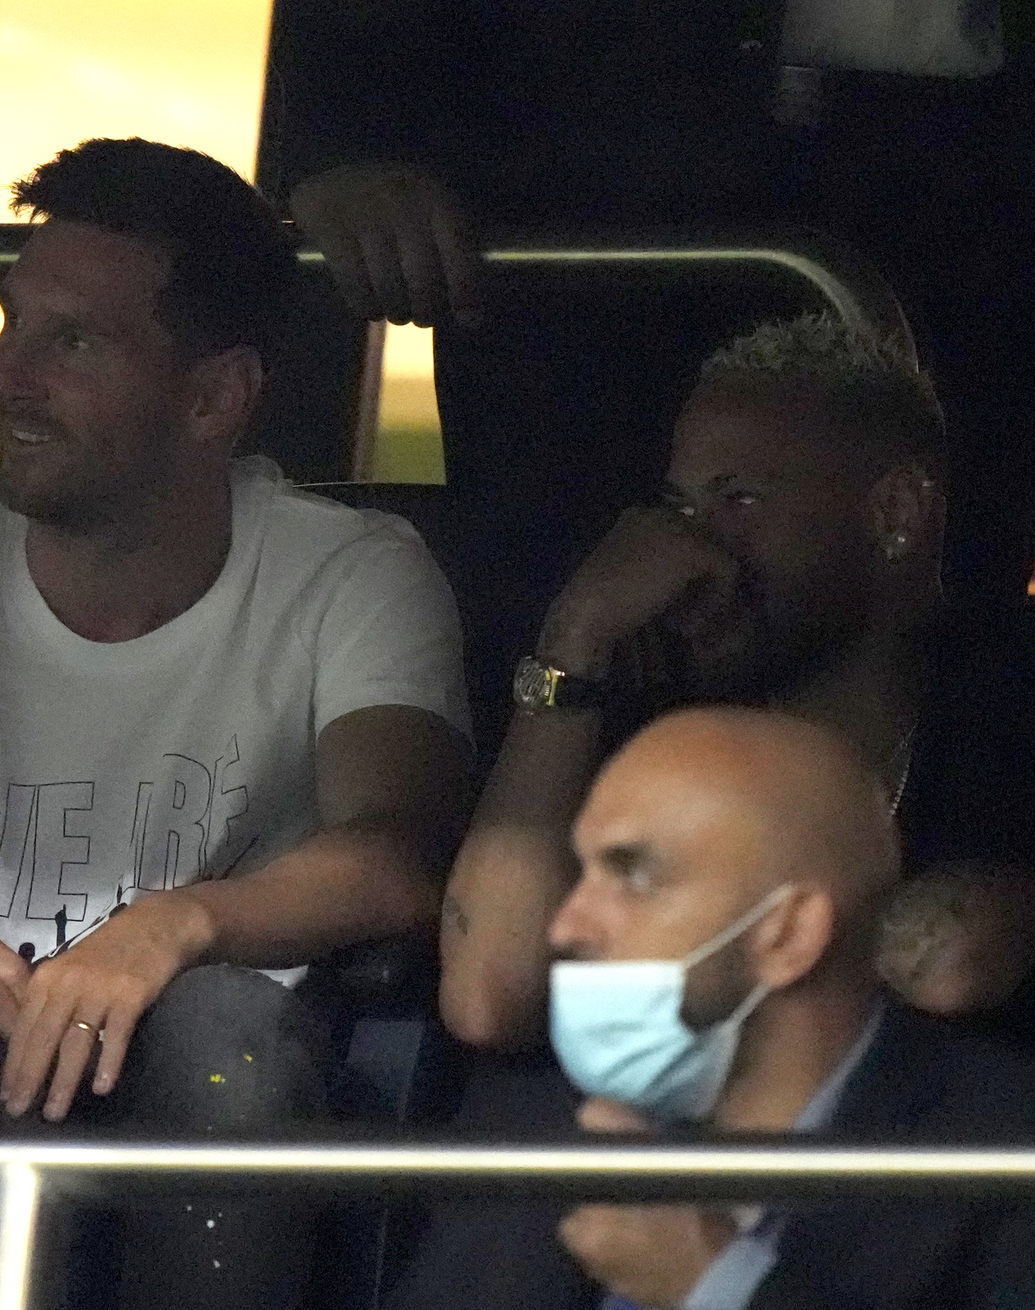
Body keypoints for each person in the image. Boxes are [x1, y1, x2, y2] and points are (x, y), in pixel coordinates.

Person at [0, 137, 473, 1307]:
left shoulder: (348, 574)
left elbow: (395, 855)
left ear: (213, 395)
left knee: (225, 1029)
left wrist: (173, 926)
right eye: (10, 324)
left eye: (70, 342)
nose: (6, 374)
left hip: (194, 1094)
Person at [269, 0, 1035, 731]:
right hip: (589, 168)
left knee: (944, 653)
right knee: (585, 607)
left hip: (970, 185)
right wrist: (341, 127)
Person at [439, 313, 1035, 1053]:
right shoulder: (638, 699)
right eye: (680, 508)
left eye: (739, 499)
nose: (691, 547)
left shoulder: (1006, 694)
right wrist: (573, 641)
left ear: (895, 512)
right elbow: (489, 999)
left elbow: (967, 958)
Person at [391, 707, 1035, 1309]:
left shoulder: (998, 1157)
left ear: (785, 935)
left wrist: (719, 1286)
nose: (567, 925)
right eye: (583, 872)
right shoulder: (546, 1127)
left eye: (634, 878)